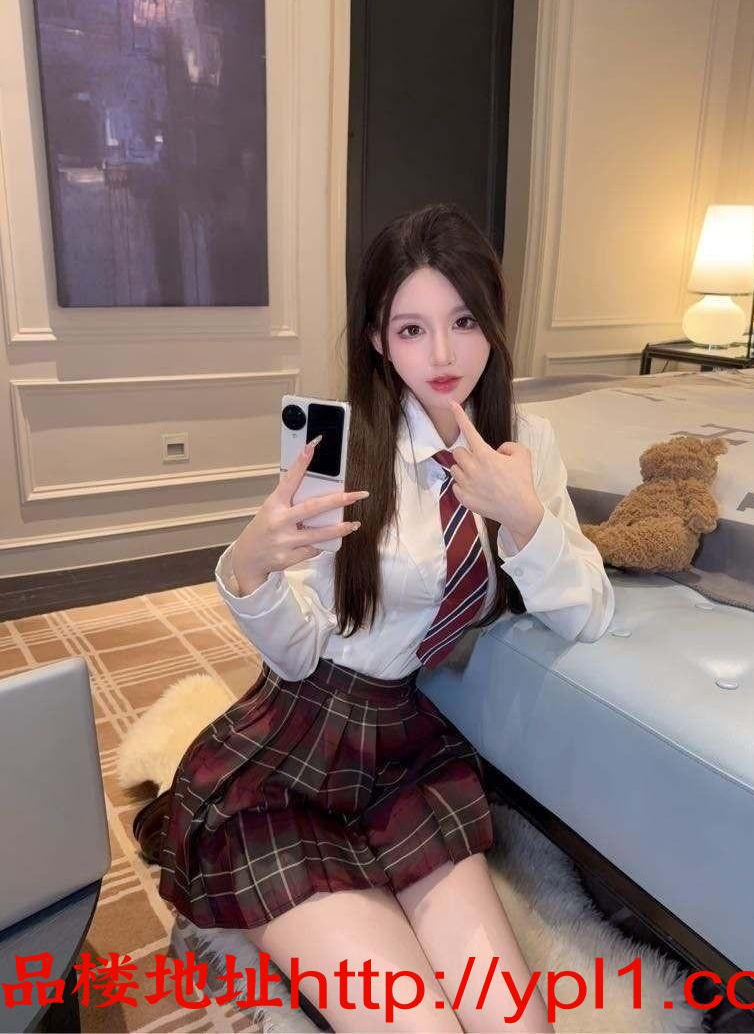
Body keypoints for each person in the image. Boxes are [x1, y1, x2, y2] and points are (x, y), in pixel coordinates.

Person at [133, 202, 615, 1032]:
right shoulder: (347, 448)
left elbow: (590, 612)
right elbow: (298, 649)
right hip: (296, 746)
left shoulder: (527, 444)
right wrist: (250, 569)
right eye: (411, 329)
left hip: (405, 751)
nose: (442, 355)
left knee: (518, 1023)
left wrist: (524, 516)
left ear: (493, 321)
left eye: (464, 321)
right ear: (377, 340)